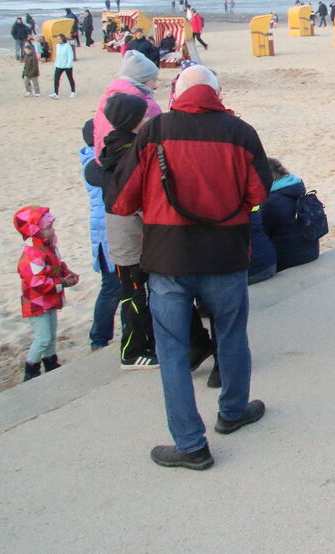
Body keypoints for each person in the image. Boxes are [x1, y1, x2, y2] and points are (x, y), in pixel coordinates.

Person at [111, 65, 272, 470]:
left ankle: (190, 443)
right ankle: (232, 412)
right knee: (232, 334)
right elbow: (259, 192)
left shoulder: (155, 130)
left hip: (169, 257)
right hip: (225, 254)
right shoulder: (241, 132)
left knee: (172, 349)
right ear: (217, 92)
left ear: (176, 93)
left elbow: (123, 200)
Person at [85, 94, 162, 369]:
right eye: (143, 116)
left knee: (139, 292)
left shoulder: (114, 147)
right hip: (129, 238)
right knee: (134, 296)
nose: (148, 120)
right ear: (133, 121)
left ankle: (147, 343)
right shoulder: (126, 153)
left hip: (126, 235)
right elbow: (133, 196)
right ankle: (132, 351)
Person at [14, 205, 80, 381]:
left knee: (50, 335)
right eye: (48, 227)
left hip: (49, 299)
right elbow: (37, 283)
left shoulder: (48, 247)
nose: (53, 229)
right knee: (43, 337)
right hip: (36, 302)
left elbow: (57, 265)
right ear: (35, 231)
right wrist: (63, 282)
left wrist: (67, 273)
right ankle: (31, 368)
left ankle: (50, 362)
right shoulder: (32, 254)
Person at [79, 119, 122, 350]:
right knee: (112, 287)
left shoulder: (94, 160)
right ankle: (99, 338)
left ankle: (102, 336)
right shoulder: (94, 165)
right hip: (106, 234)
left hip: (107, 230)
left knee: (118, 286)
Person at [260, 158, 322, 270]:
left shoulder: (272, 201)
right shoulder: (296, 189)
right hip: (311, 251)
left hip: (289, 259)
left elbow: (263, 231)